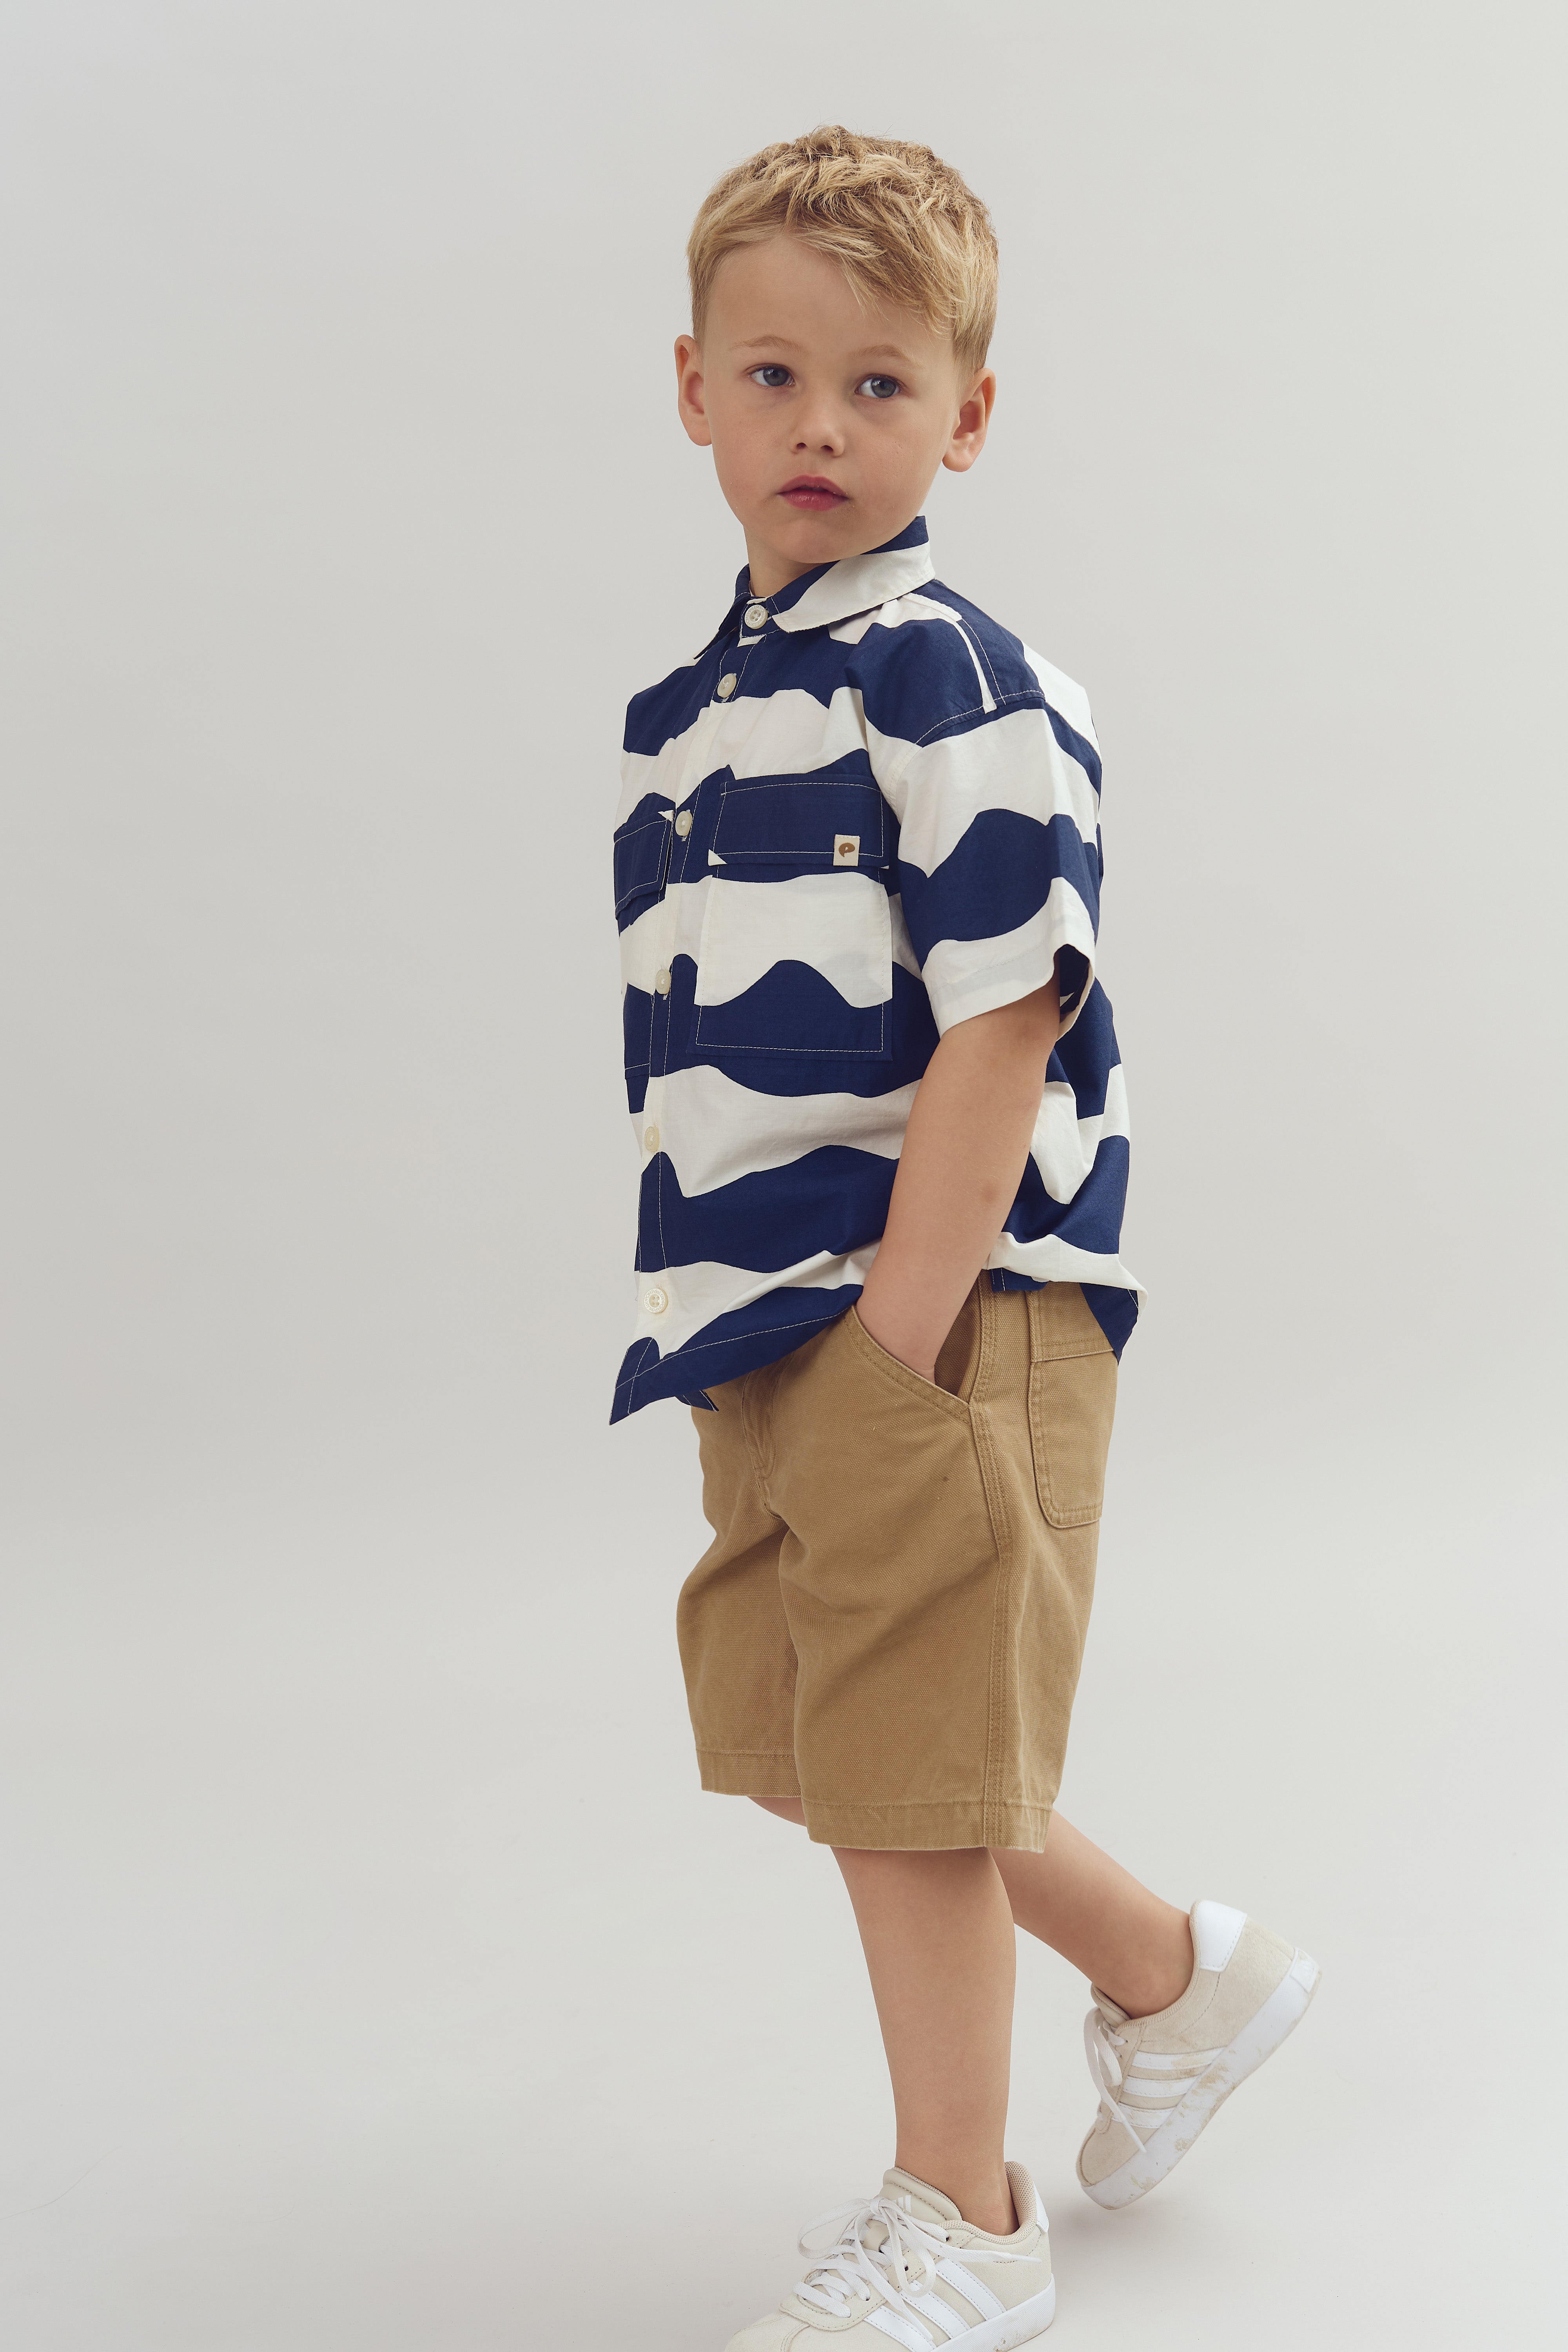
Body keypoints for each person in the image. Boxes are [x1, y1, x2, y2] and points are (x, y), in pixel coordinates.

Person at [609, 125, 1317, 2349]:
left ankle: (967, 2218)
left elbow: (1006, 1022)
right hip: (782, 1310)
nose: (823, 424)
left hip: (934, 1296)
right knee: (870, 1745)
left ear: (969, 418)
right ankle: (1182, 1981)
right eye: (776, 372)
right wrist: (762, 1335)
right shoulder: (697, 713)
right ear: (695, 388)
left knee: (907, 1752)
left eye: (884, 383)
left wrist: (899, 1341)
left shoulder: (946, 672)